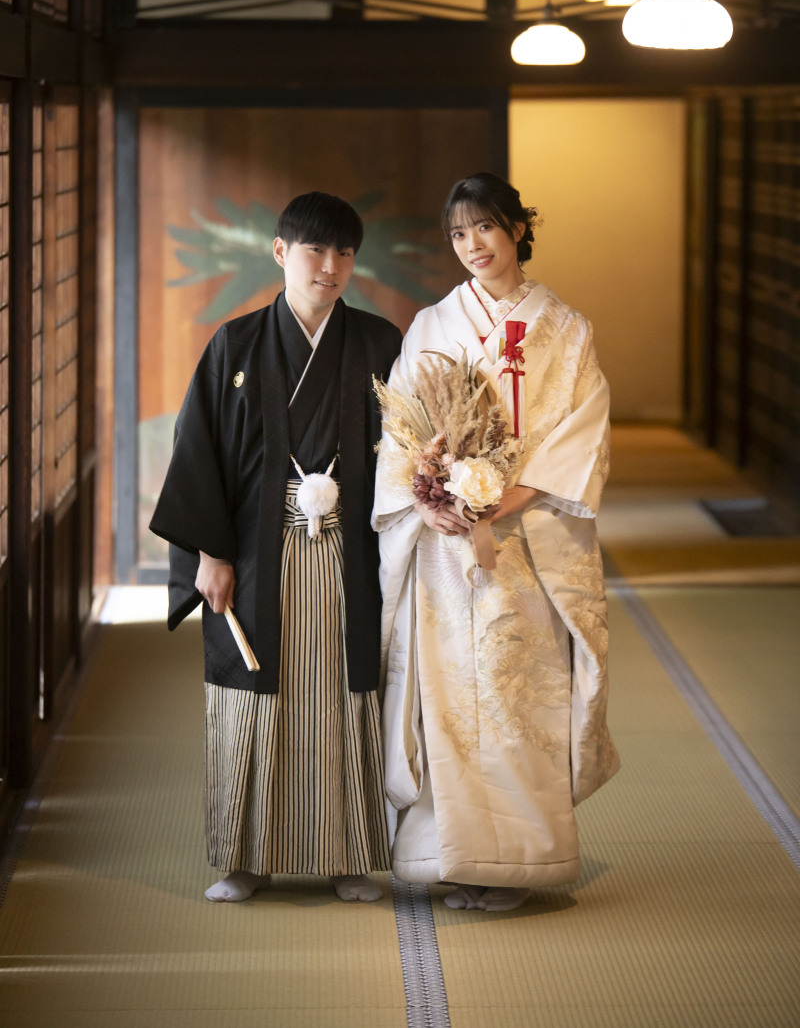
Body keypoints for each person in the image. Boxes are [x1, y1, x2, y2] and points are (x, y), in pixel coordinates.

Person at [373, 172, 620, 913]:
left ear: (516, 228)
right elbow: (400, 430)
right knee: (446, 698)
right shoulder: (431, 325)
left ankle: (516, 862)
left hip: (525, 541)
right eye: (457, 233)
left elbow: (582, 429)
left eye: (485, 227)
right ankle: (451, 854)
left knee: (516, 698)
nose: (471, 245)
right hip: (448, 547)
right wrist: (431, 497)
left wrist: (505, 498)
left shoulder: (566, 328)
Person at [150, 191, 402, 904]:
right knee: (254, 698)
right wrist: (210, 554)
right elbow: (197, 454)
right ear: (279, 252)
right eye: (315, 250)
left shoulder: (382, 345)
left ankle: (351, 853)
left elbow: (412, 453)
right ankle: (245, 856)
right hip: (258, 551)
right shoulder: (235, 346)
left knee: (346, 694)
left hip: (354, 554)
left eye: (344, 253)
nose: (330, 266)